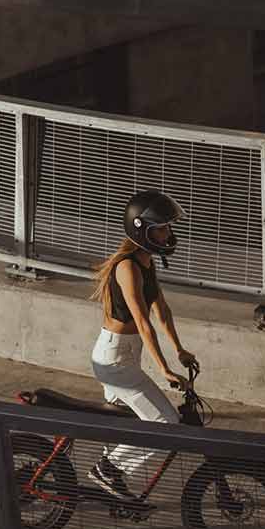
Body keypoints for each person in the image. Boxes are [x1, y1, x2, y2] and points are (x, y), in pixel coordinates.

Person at [87, 189, 198, 500]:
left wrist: (179, 350)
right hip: (114, 359)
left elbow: (161, 310)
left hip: (125, 354)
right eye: (160, 228)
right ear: (142, 230)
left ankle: (111, 487)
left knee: (131, 421)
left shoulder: (145, 262)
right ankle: (107, 470)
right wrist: (164, 369)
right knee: (165, 423)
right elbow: (143, 320)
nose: (167, 234)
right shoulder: (128, 267)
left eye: (166, 227)